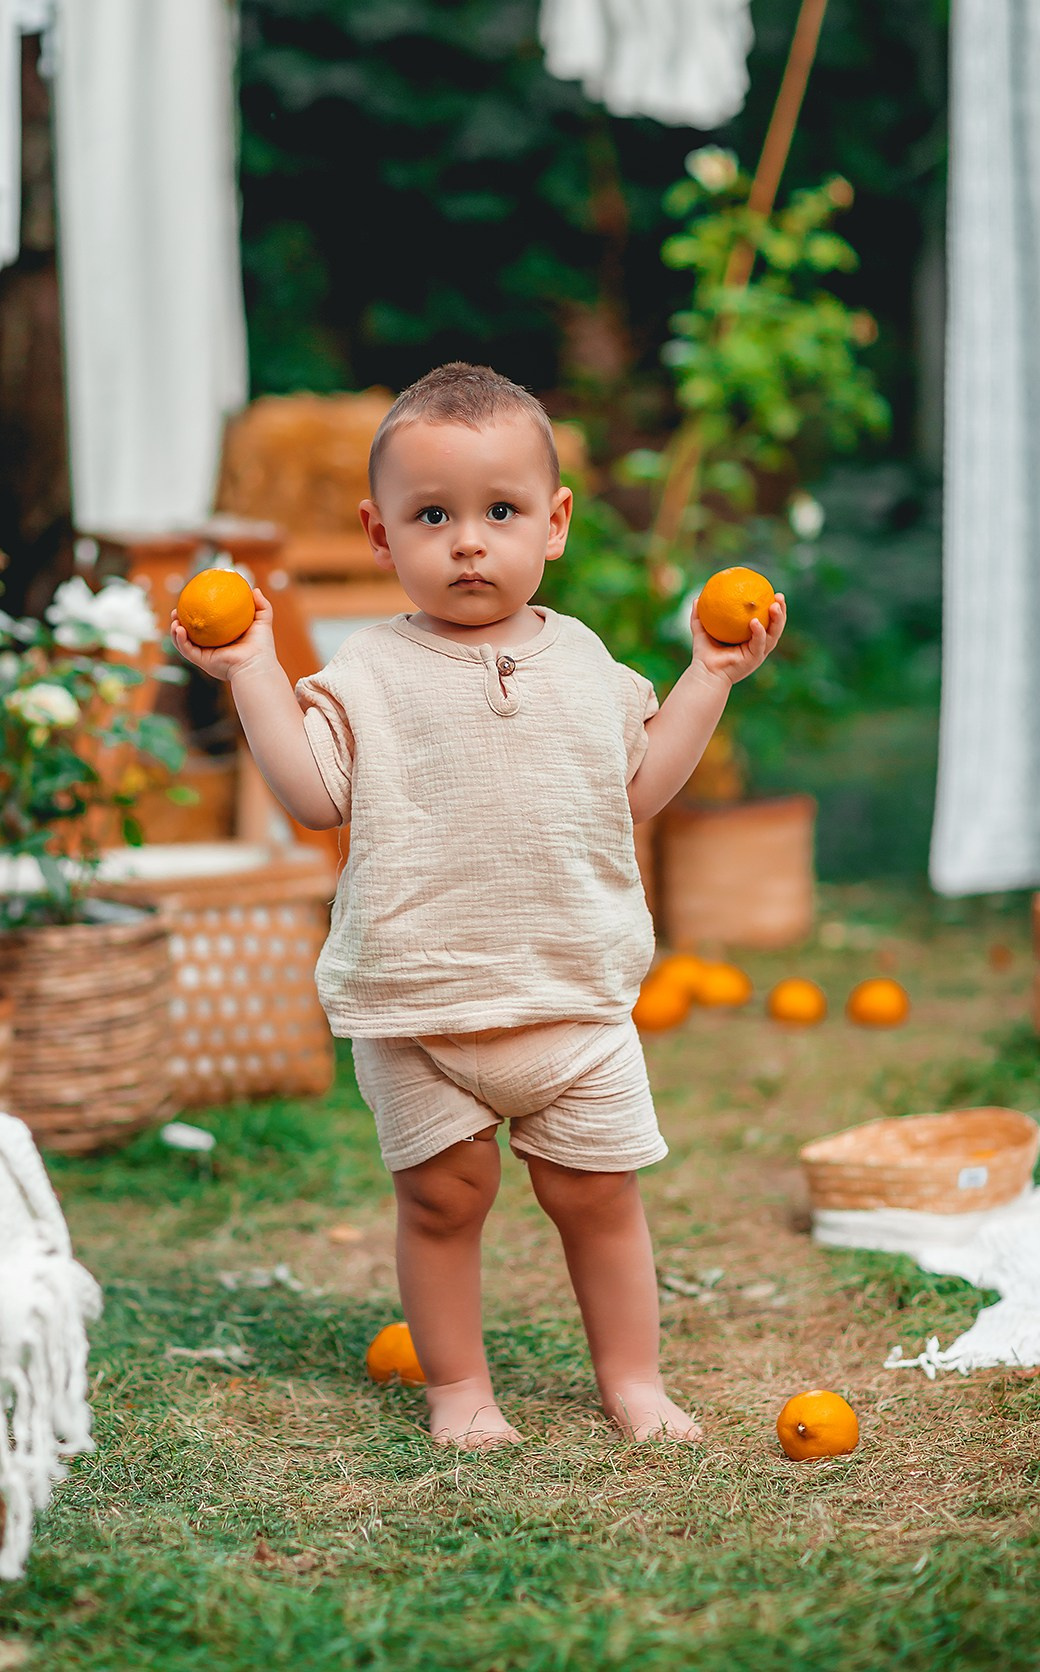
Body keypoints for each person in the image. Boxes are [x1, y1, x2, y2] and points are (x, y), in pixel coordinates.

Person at [171, 362, 786, 1449]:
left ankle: (634, 1382)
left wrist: (710, 677)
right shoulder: (369, 672)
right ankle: (460, 1390)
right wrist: (255, 670)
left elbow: (640, 784)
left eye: (499, 513)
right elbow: (313, 798)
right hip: (422, 1009)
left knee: (598, 1197)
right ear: (378, 533)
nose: (467, 541)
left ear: (553, 525)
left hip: (574, 1002)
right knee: (444, 1201)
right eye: (432, 516)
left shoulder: (589, 664)